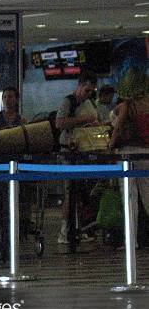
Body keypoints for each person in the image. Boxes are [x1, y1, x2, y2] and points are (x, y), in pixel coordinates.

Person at [55, 70, 99, 244]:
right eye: (86, 90)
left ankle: (79, 228)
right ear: (79, 86)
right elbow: (59, 123)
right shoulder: (69, 102)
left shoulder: (88, 103)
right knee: (69, 192)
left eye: (91, 91)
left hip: (83, 151)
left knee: (81, 193)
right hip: (68, 153)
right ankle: (65, 231)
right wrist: (83, 120)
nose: (88, 94)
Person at [109, 69, 149, 248]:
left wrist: (110, 146)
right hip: (146, 153)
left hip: (127, 154)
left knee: (129, 198)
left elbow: (117, 129)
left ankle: (131, 241)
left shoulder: (127, 105)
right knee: (148, 197)